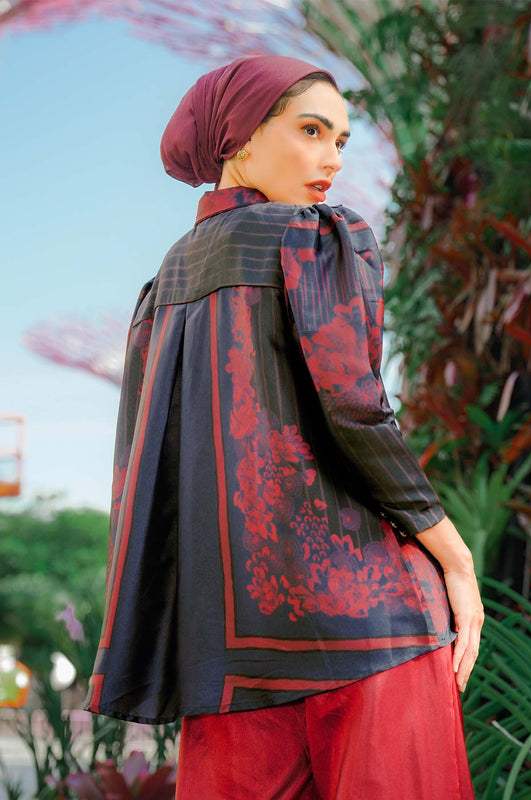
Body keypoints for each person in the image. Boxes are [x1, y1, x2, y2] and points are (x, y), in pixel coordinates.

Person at [84, 55, 484, 799]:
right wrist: (456, 560)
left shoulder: (160, 288)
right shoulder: (313, 235)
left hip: (228, 660)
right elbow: (356, 407)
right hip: (372, 629)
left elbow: (139, 475)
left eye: (340, 140)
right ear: (239, 136)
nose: (332, 159)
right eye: (310, 131)